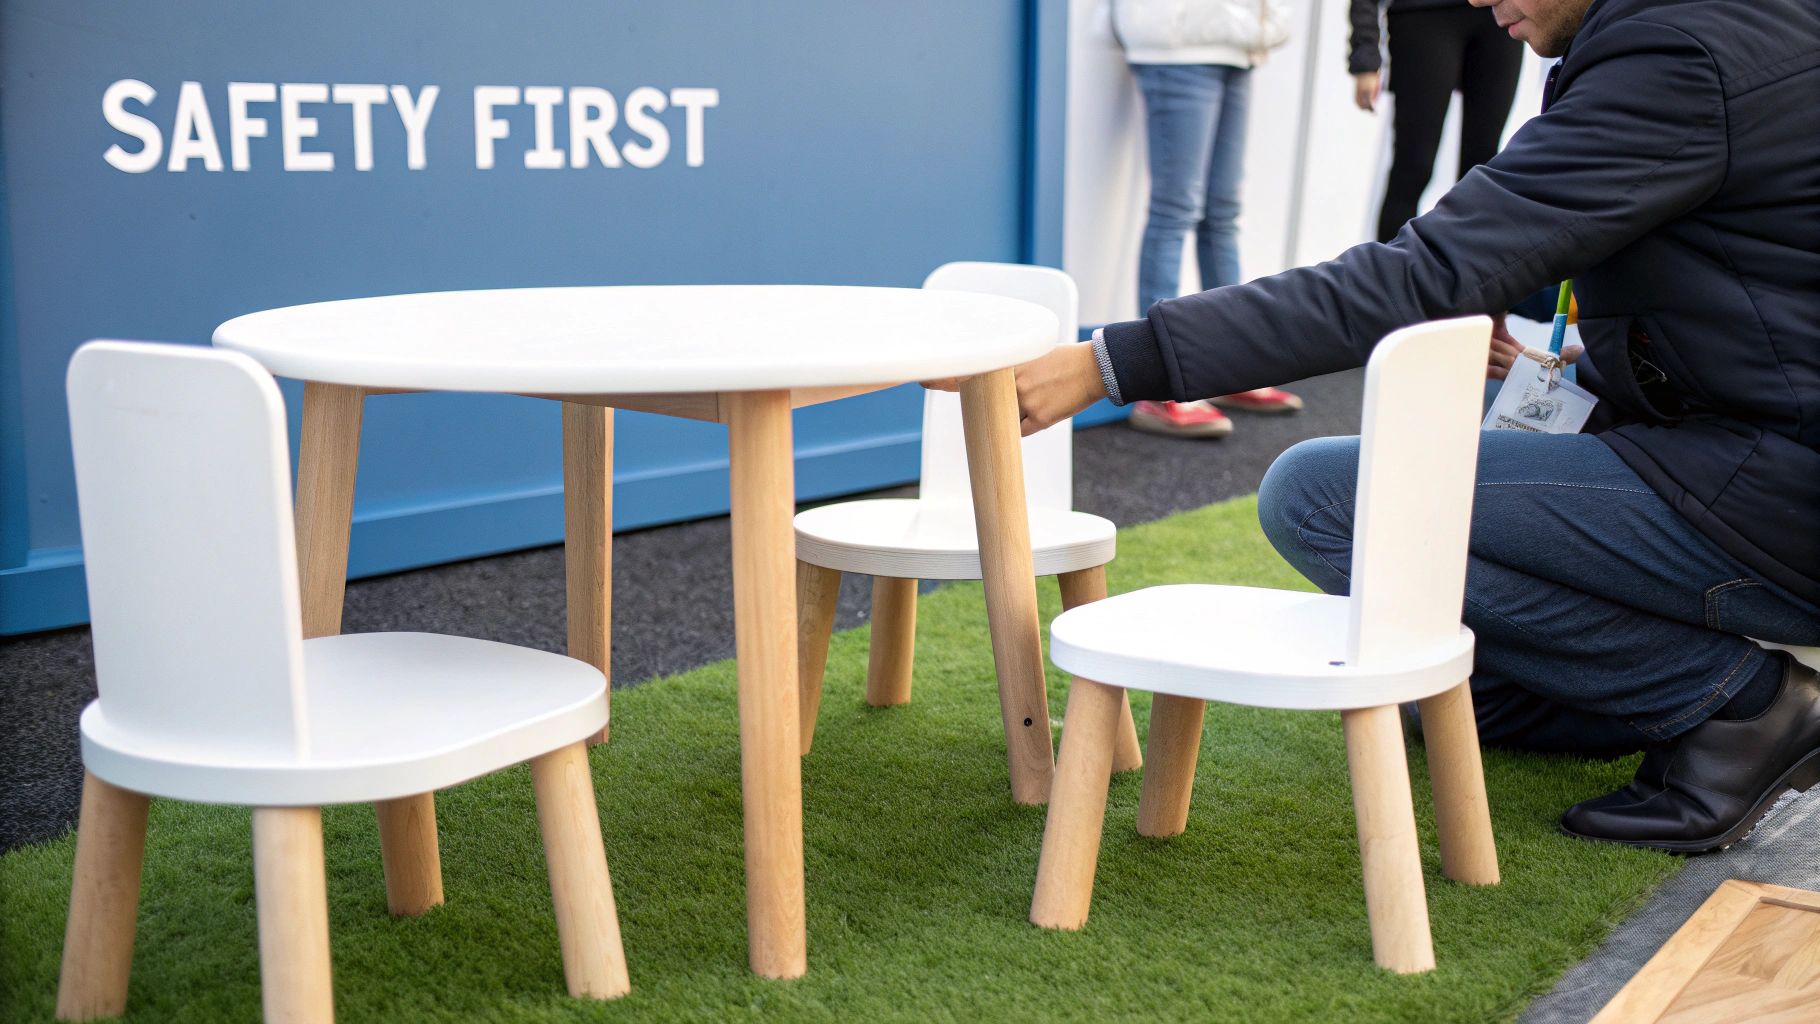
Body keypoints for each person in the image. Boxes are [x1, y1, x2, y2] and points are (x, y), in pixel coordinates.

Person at [991, 0, 1820, 853]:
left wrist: (1112, 363)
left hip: (1773, 489)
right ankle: (1609, 686)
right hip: (1757, 455)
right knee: (1470, 693)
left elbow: (1421, 275)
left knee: (1321, 498)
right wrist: (1555, 310)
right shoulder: (1737, 26)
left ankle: (1740, 703)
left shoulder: (1678, 53)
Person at [1113, 0, 1305, 439]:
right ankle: (1156, 383)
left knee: (1221, 212)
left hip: (1235, 46)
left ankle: (1230, 367)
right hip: (1177, 42)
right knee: (1175, 210)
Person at [1350, 1, 1525, 243]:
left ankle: (1473, 274)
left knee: (1483, 168)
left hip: (1499, 17)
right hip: (1424, 15)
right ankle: (1388, 276)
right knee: (1413, 167)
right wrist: (1365, 53)